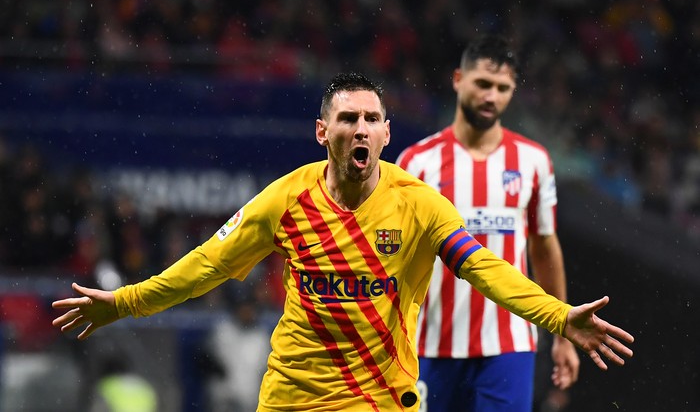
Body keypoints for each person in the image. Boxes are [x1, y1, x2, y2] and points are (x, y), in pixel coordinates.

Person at [53, 72, 634, 412]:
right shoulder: (284, 200)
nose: (360, 127)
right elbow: (206, 265)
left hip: (380, 402)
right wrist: (124, 303)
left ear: (386, 132)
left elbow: (487, 269)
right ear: (322, 131)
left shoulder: (419, 205)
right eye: (348, 117)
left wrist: (558, 317)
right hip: (292, 398)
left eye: (372, 118)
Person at [396, 34, 579, 411]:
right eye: (482, 84)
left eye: (502, 88)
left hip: (508, 345)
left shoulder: (534, 161)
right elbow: (395, 257)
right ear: (458, 79)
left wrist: (563, 333)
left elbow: (545, 247)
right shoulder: (416, 163)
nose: (491, 96)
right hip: (431, 343)